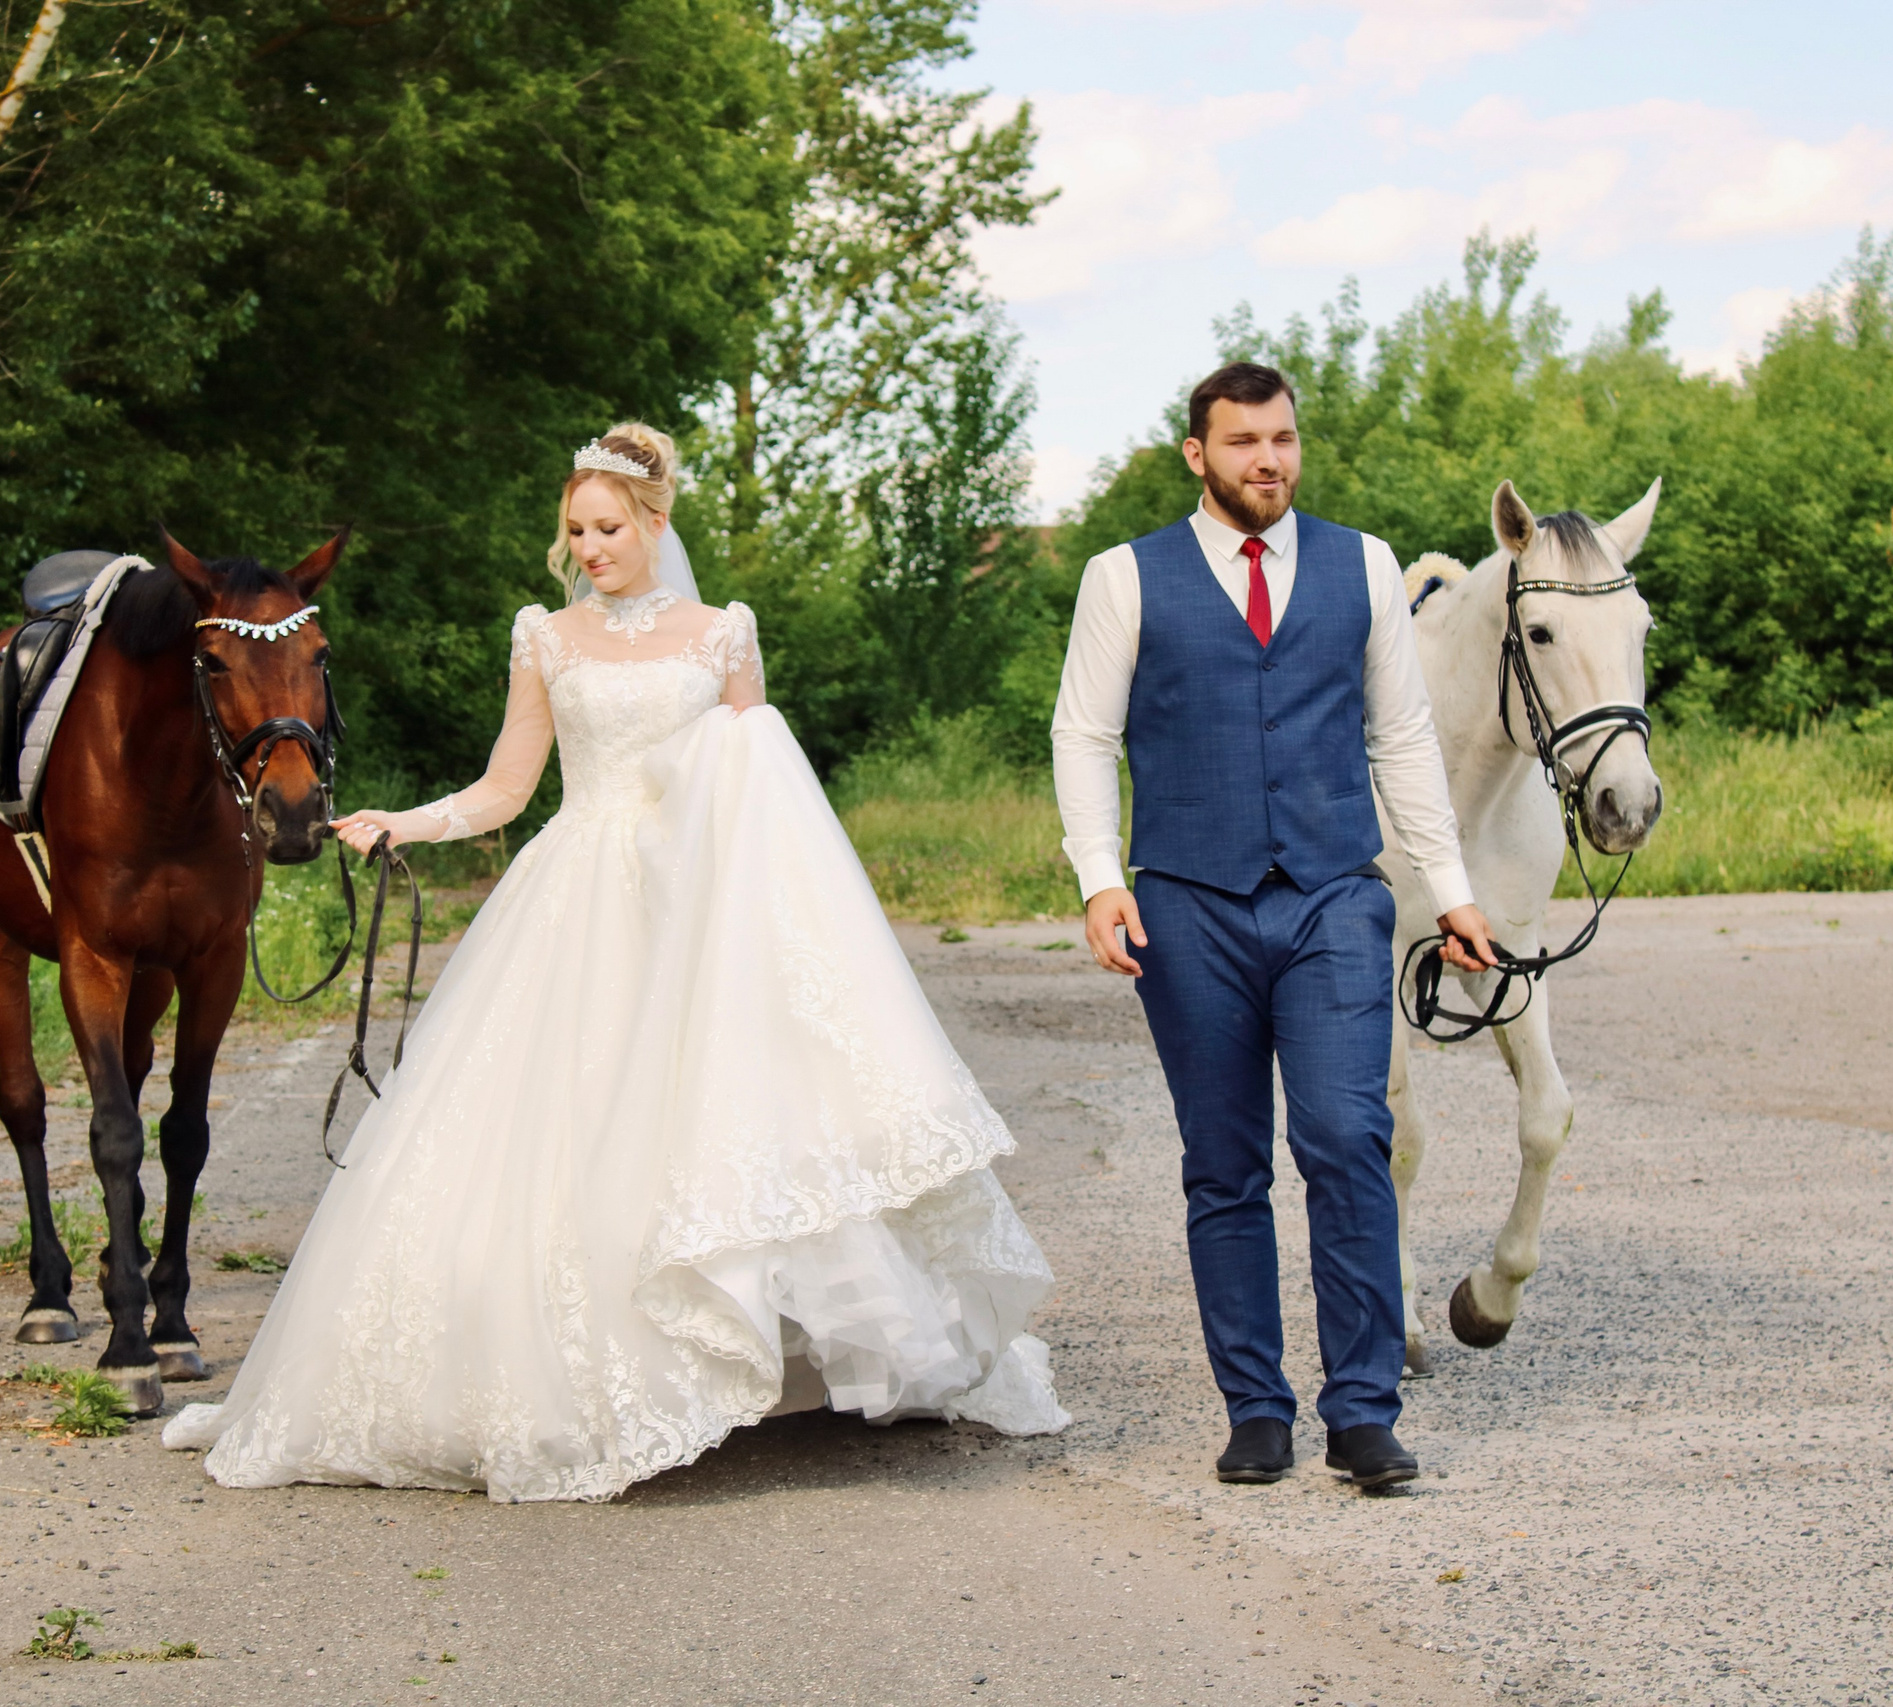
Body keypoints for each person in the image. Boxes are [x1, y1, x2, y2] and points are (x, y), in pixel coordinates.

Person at [164, 424, 1069, 1501]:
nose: (589, 548)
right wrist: (403, 821)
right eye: (575, 531)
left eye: (607, 528)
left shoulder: (724, 636)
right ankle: (568, 1373)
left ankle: (777, 1354)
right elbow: (508, 788)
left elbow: (762, 790)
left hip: (705, 905)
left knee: (733, 1114)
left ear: (653, 524)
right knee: (561, 1133)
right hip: (579, 891)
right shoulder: (545, 639)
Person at [1051, 364, 1498, 1490]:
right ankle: (1256, 1407)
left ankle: (1362, 1411)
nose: (1268, 460)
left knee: (1347, 1136)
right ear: (1196, 455)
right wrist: (1102, 878)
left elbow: (1399, 738)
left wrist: (1447, 888)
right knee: (1224, 1163)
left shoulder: (1365, 565)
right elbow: (1082, 737)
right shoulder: (1125, 576)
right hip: (1186, 903)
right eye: (1243, 441)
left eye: (1283, 439)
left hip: (1333, 897)